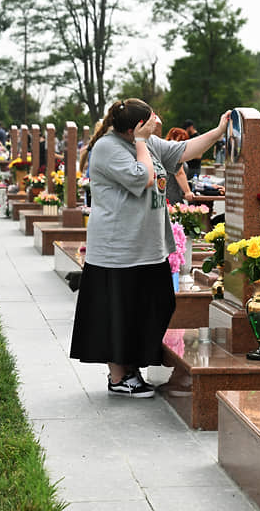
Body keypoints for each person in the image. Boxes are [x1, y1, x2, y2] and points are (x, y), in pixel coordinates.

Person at [70, 98, 229, 397]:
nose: (159, 118)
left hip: (149, 246)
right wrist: (142, 144)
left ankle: (133, 369)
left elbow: (185, 150)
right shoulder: (108, 147)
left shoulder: (149, 143)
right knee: (120, 312)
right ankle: (119, 377)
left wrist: (219, 131)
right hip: (119, 249)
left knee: (152, 307)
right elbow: (144, 177)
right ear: (136, 127)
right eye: (152, 117)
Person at [163, 127, 195, 204]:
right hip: (172, 194)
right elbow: (179, 173)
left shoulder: (164, 150)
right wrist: (187, 192)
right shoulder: (173, 151)